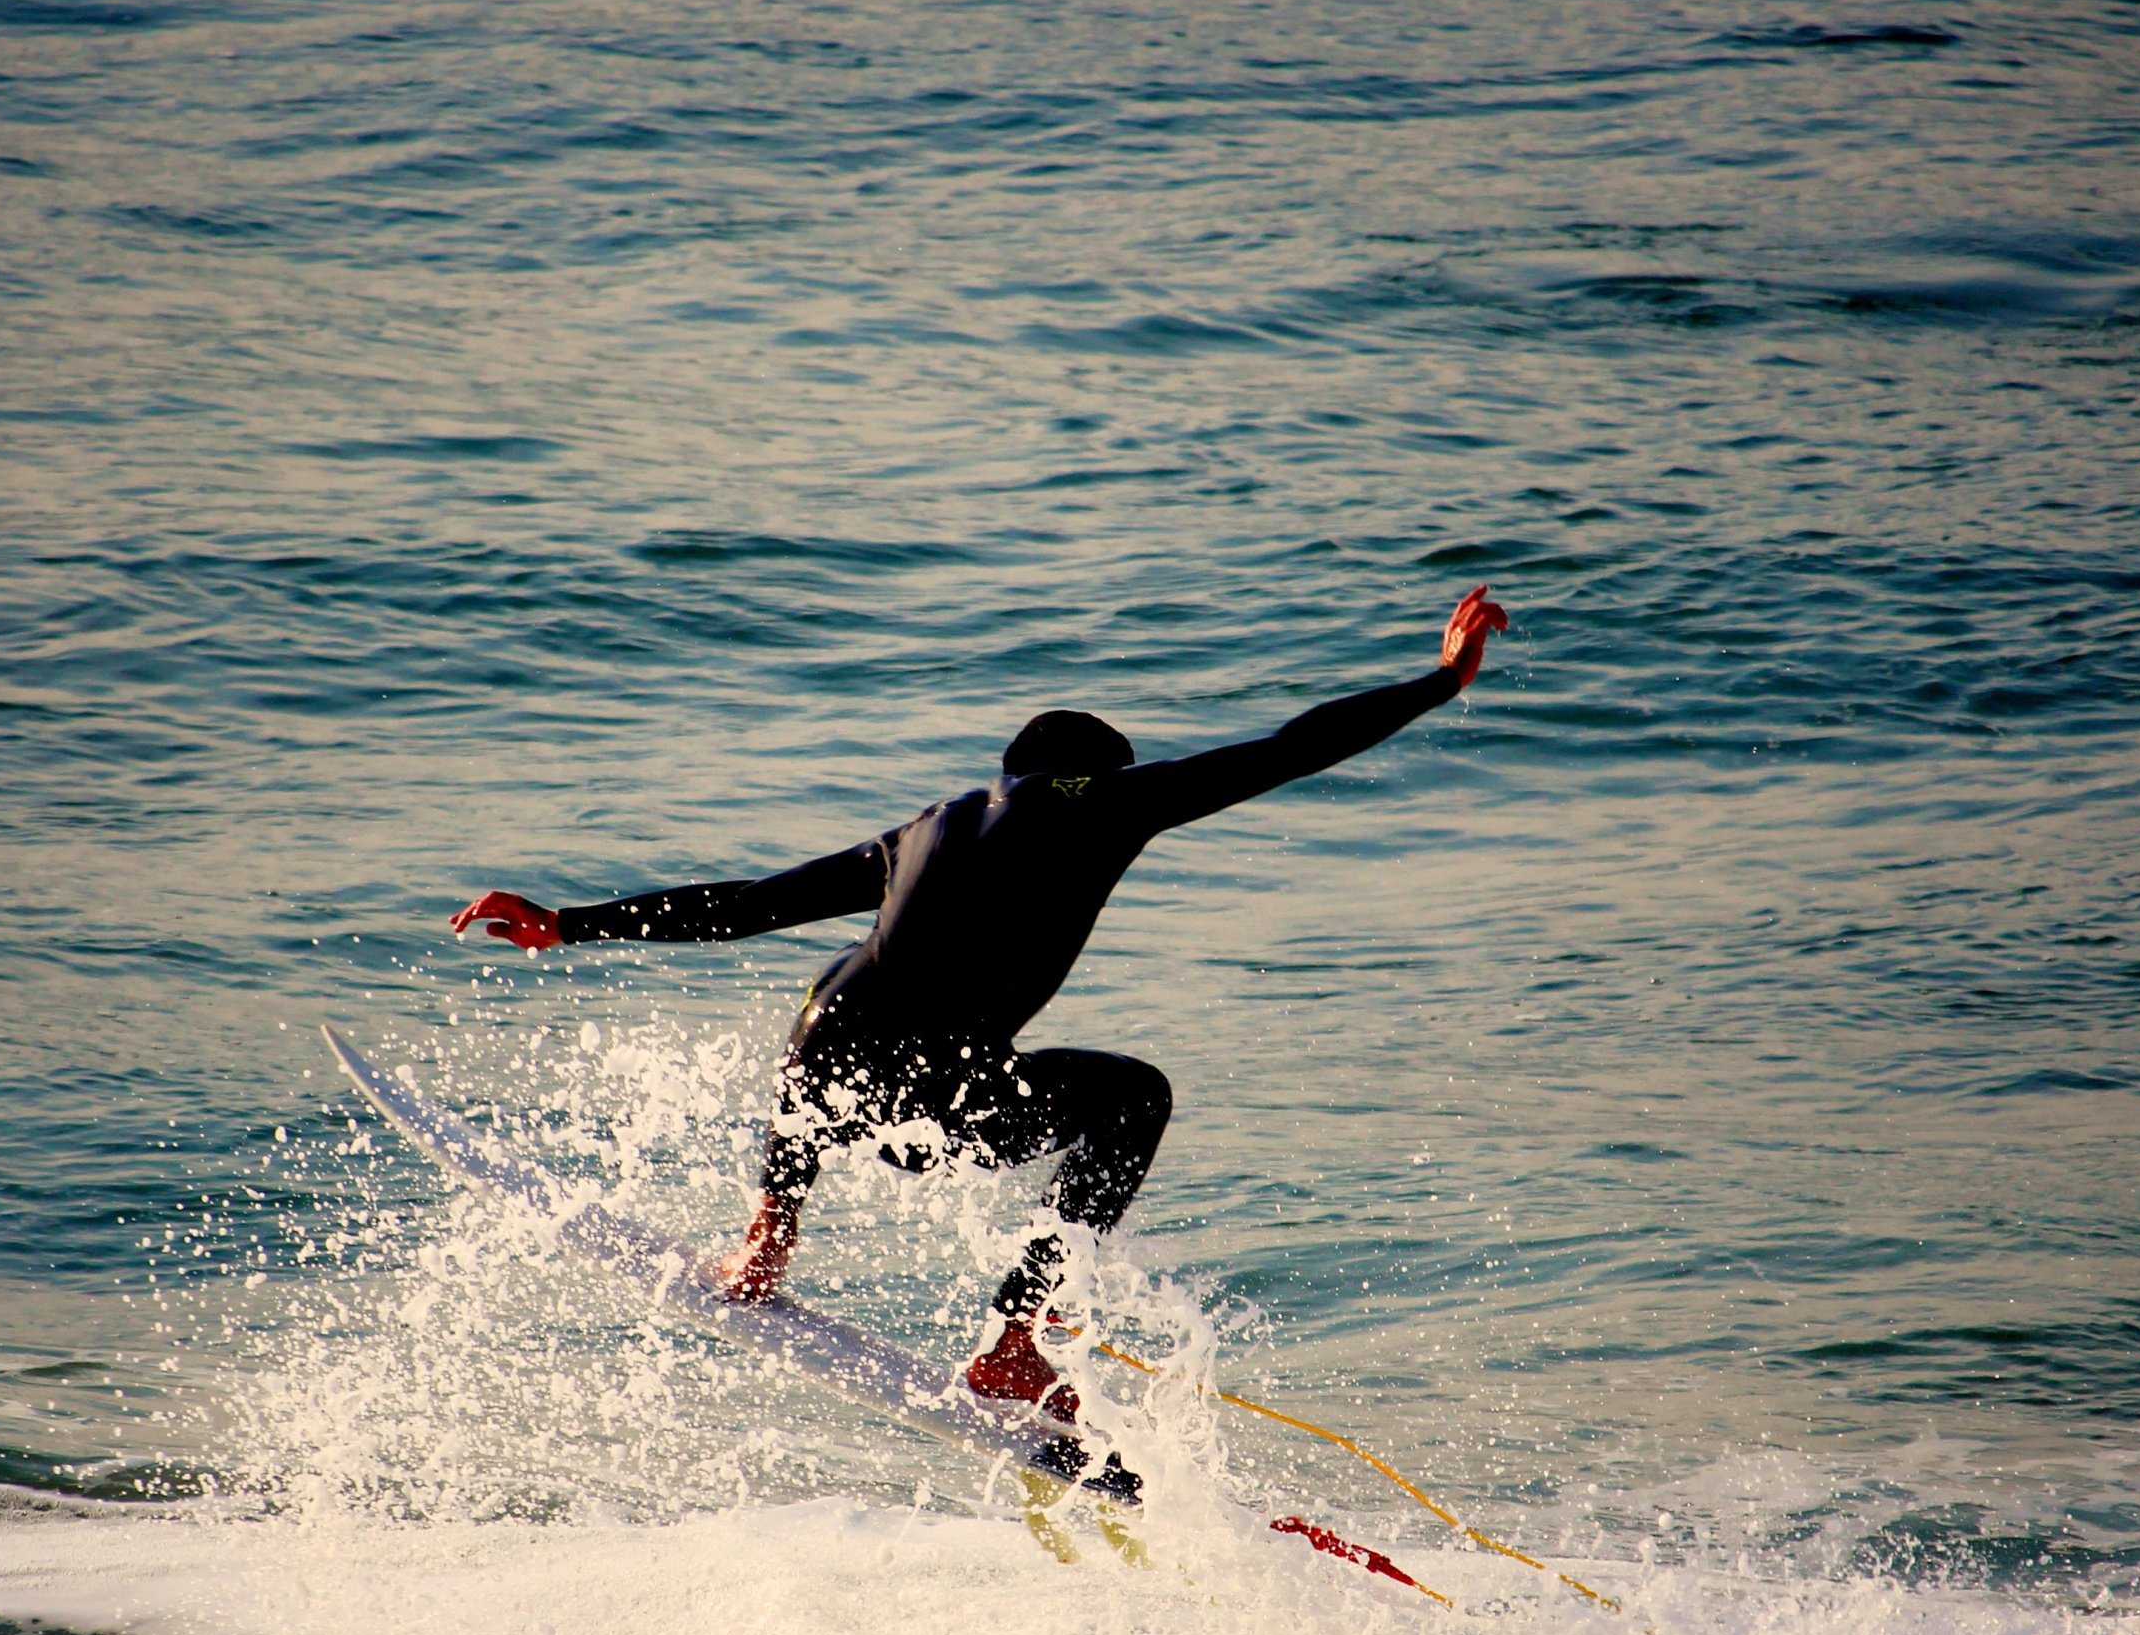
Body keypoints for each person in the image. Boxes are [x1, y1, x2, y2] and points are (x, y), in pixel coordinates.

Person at [451, 585, 1509, 1464]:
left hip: (833, 1083)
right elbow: (1289, 747)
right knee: (1133, 1096)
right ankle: (1015, 1338)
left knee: (840, 986)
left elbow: (748, 902)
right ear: (1099, 772)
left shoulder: (922, 829)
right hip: (945, 1098)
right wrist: (1441, 679)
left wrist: (568, 925)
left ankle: (771, 1231)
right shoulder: (1108, 802)